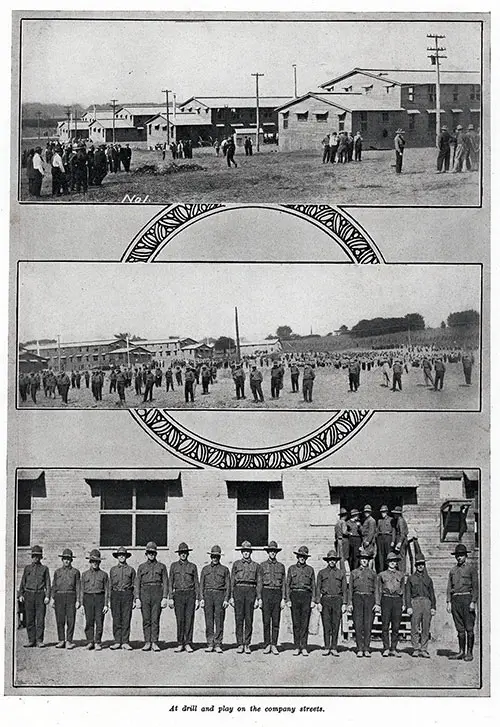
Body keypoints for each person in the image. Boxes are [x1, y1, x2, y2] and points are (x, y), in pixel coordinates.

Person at [134, 541, 169, 652]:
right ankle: (147, 642)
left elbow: (166, 582)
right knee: (146, 619)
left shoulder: (161, 567)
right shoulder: (141, 567)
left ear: (156, 553)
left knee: (155, 619)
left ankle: (154, 642)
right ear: (146, 554)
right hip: (145, 593)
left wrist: (164, 597)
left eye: (153, 553)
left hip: (157, 593)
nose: (151, 555)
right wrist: (137, 598)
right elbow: (137, 583)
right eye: (149, 553)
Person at [447, 544, 478, 661]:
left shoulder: (471, 569)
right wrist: (448, 602)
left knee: (469, 628)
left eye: (461, 555)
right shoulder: (453, 571)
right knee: (459, 628)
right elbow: (449, 587)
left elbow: (475, 587)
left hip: (467, 599)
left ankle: (469, 653)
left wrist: (473, 601)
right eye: (457, 556)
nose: (459, 558)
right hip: (456, 600)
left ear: (466, 556)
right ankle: (461, 652)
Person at [230, 541, 262, 654]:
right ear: (241, 552)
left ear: (250, 552)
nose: (246, 553)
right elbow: (232, 581)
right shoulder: (236, 564)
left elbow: (259, 582)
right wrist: (231, 597)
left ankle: (247, 644)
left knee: (249, 619)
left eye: (248, 551)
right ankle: (240, 644)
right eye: (244, 551)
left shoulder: (256, 566)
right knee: (239, 619)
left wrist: (258, 598)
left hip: (250, 591)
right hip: (239, 591)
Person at [169, 542, 200, 653]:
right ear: (179, 554)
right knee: (180, 619)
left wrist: (197, 599)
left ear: (188, 554)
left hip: (190, 594)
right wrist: (170, 597)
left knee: (189, 619)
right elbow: (170, 582)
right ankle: (180, 643)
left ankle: (188, 643)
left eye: (185, 553)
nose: (183, 555)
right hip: (178, 594)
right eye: (181, 553)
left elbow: (197, 582)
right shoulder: (174, 566)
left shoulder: (192, 566)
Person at [315, 550, 347, 656]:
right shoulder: (322, 573)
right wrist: (318, 602)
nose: (332, 561)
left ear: (336, 561)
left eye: (333, 559)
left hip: (337, 600)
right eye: (330, 560)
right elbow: (318, 588)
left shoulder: (341, 573)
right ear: (327, 561)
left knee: (336, 624)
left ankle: (334, 647)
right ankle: (327, 646)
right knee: (326, 624)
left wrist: (344, 603)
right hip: (326, 600)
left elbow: (344, 589)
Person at [18, 545, 51, 648]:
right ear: (31, 556)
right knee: (29, 619)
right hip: (29, 595)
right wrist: (20, 594)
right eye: (34, 556)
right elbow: (23, 582)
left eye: (38, 556)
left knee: (40, 619)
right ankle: (31, 640)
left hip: (40, 595)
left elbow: (48, 584)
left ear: (41, 557)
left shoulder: (44, 569)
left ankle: (39, 640)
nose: (35, 558)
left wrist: (47, 596)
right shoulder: (27, 568)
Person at [199, 545, 230, 653]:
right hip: (208, 595)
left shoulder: (225, 569)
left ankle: (218, 644)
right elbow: (201, 584)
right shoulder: (205, 569)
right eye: (213, 556)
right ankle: (210, 643)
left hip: (220, 595)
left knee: (219, 620)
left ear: (219, 557)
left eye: (217, 556)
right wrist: (201, 598)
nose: (214, 558)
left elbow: (228, 586)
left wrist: (226, 599)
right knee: (209, 620)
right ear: (210, 557)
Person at [286, 546, 316, 656]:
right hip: (294, 595)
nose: (302, 558)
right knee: (296, 622)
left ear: (306, 558)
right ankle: (296, 646)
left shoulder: (310, 570)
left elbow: (313, 585)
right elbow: (287, 585)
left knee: (305, 622)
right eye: (300, 556)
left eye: (304, 556)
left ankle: (304, 646)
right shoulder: (291, 569)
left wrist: (313, 600)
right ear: (297, 557)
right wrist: (288, 599)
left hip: (306, 595)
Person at [405, 553, 436, 658]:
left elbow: (432, 594)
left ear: (424, 565)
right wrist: (408, 606)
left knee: (426, 627)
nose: (420, 566)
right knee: (414, 626)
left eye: (422, 564)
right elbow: (407, 593)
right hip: (415, 602)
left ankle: (424, 649)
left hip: (427, 603)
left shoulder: (428, 579)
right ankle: (415, 648)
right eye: (418, 564)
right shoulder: (411, 578)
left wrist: (433, 607)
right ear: (415, 565)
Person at [347, 549, 377, 657]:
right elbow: (349, 589)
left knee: (368, 624)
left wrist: (377, 603)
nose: (364, 561)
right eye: (362, 559)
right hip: (357, 597)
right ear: (360, 560)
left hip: (369, 598)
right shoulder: (354, 573)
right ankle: (359, 648)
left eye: (366, 559)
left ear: (368, 561)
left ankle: (367, 648)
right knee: (358, 623)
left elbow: (377, 589)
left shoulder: (373, 574)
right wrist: (349, 603)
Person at [376, 552, 405, 657]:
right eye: (390, 561)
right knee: (385, 625)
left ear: (396, 563)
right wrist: (378, 603)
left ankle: (393, 648)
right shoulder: (382, 575)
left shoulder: (401, 575)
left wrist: (403, 603)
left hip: (397, 600)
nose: (393, 563)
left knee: (396, 626)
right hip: (386, 599)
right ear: (387, 563)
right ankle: (386, 648)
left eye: (394, 561)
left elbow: (403, 589)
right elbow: (378, 590)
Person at [260, 541, 286, 655]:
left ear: (276, 553)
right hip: (266, 592)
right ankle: (267, 644)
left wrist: (283, 598)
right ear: (268, 552)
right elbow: (259, 583)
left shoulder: (281, 566)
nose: (272, 553)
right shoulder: (262, 566)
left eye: (274, 551)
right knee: (266, 621)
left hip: (277, 593)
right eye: (271, 551)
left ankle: (274, 644)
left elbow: (284, 583)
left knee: (276, 621)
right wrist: (259, 598)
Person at [51, 548, 80, 649]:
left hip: (71, 596)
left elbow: (78, 587)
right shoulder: (57, 572)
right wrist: (53, 598)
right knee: (60, 619)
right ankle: (61, 640)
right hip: (59, 596)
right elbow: (54, 585)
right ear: (62, 560)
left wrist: (78, 600)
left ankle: (69, 641)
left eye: (68, 559)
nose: (66, 561)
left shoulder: (75, 572)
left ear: (71, 560)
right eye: (64, 559)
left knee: (70, 619)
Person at [80, 549, 109, 651]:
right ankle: (90, 642)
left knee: (99, 621)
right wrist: (82, 604)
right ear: (90, 562)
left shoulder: (104, 575)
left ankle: (97, 642)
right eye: (93, 561)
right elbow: (82, 590)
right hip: (88, 599)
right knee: (89, 621)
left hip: (99, 598)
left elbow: (107, 590)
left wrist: (106, 604)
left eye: (96, 561)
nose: (94, 563)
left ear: (99, 562)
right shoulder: (84, 574)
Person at [109, 546, 136, 650]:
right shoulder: (113, 570)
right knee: (116, 619)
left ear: (126, 557)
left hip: (127, 595)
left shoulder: (131, 570)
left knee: (126, 618)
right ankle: (117, 641)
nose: (121, 557)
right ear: (117, 557)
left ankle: (125, 641)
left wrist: (134, 599)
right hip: (115, 595)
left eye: (123, 555)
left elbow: (134, 585)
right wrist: (109, 599)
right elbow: (110, 585)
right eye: (120, 555)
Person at [376, 505, 393, 574]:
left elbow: (393, 530)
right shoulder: (379, 521)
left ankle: (388, 570)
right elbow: (377, 530)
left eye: (384, 512)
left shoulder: (391, 520)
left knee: (388, 554)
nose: (382, 513)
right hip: (380, 538)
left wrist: (393, 540)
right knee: (380, 554)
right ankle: (381, 570)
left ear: (387, 512)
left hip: (388, 537)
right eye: (381, 512)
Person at [391, 506, 408, 573]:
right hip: (399, 539)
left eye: (396, 513)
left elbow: (403, 533)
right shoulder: (397, 520)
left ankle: (402, 572)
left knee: (401, 556)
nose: (394, 515)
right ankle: (400, 571)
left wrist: (399, 542)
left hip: (402, 540)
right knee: (399, 556)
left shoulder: (400, 520)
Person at [334, 507, 350, 573]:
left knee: (340, 555)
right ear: (345, 515)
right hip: (344, 540)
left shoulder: (337, 523)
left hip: (338, 540)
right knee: (345, 556)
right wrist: (349, 533)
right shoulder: (343, 522)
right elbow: (344, 532)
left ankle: (341, 569)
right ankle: (345, 570)